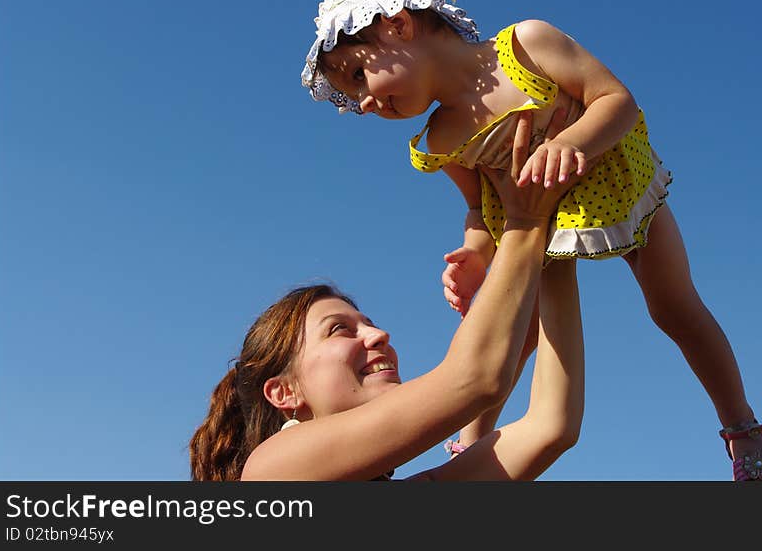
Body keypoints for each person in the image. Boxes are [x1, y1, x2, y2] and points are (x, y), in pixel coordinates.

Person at [300, 0, 762, 481]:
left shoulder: (525, 46)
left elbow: (616, 100)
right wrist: (472, 254)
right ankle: (470, 444)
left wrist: (570, 144)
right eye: (352, 99)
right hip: (537, 226)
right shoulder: (442, 139)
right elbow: (478, 209)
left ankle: (741, 427)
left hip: (618, 187)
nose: (366, 102)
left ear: (398, 23)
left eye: (358, 75)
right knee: (511, 329)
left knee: (674, 307)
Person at [189, 166, 585, 480]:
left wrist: (556, 236)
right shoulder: (273, 471)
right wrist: (524, 220)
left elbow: (551, 427)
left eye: (368, 324)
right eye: (339, 329)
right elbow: (475, 379)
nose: (379, 335)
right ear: (284, 392)